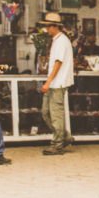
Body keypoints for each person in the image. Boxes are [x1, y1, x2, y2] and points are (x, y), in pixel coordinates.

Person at [39, 13, 74, 155]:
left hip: (58, 83)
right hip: (55, 82)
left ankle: (58, 143)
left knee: (55, 114)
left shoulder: (61, 41)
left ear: (54, 26)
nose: (46, 29)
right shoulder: (58, 40)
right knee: (46, 112)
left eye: (48, 26)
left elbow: (58, 63)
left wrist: (48, 81)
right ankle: (64, 136)